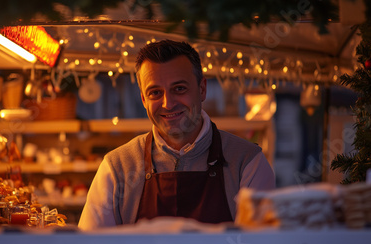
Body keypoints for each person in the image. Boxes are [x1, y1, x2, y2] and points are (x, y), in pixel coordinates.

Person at [78, 40, 275, 230]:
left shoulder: (248, 163)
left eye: (179, 89)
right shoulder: (116, 168)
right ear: (143, 100)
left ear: (202, 89)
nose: (168, 104)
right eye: (155, 92)